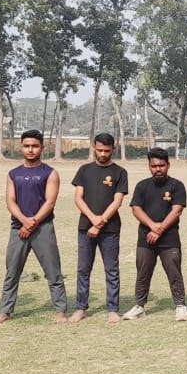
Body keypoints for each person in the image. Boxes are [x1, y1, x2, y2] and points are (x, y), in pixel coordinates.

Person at [0, 129, 68, 323]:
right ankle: (5, 311)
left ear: (42, 148)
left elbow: (50, 202)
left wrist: (32, 222)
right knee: (12, 272)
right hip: (18, 229)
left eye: (34, 146)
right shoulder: (13, 174)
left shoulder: (50, 173)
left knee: (53, 271)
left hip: (43, 228)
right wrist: (24, 221)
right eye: (26, 146)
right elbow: (10, 202)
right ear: (21, 147)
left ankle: (60, 310)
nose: (30, 150)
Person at [123, 148, 187, 321]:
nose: (158, 169)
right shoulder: (142, 186)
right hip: (146, 239)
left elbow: (177, 210)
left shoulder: (177, 185)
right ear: (149, 166)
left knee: (174, 273)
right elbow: (136, 208)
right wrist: (152, 226)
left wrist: (160, 229)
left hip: (170, 239)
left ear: (168, 165)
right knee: (143, 273)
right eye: (154, 166)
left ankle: (180, 306)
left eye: (161, 165)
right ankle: (139, 306)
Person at [71, 133, 128, 324]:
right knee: (83, 269)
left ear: (113, 149)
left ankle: (113, 309)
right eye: (100, 150)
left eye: (107, 150)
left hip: (110, 229)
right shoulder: (84, 170)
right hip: (85, 228)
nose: (103, 154)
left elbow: (117, 201)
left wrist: (100, 222)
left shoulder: (120, 172)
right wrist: (93, 220)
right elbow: (78, 198)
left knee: (111, 269)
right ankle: (81, 308)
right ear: (93, 147)